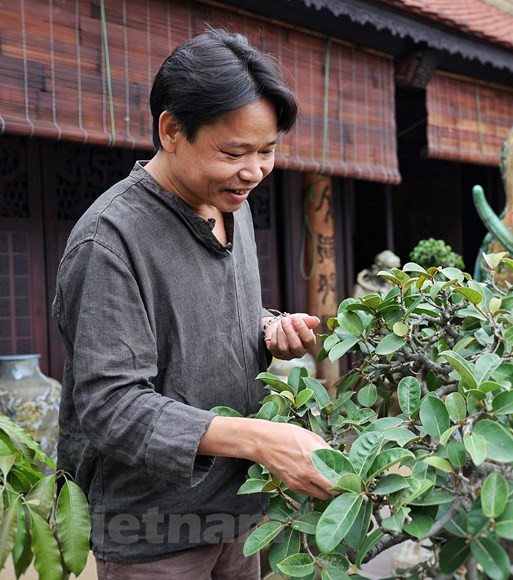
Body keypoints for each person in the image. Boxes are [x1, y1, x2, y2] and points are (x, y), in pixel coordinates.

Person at [53, 29, 334, 579]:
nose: (254, 171)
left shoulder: (233, 203)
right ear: (171, 129)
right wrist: (260, 440)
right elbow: (112, 406)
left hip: (242, 509)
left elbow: (200, 318)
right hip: (157, 529)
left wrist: (267, 328)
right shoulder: (109, 241)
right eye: (234, 152)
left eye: (268, 151)